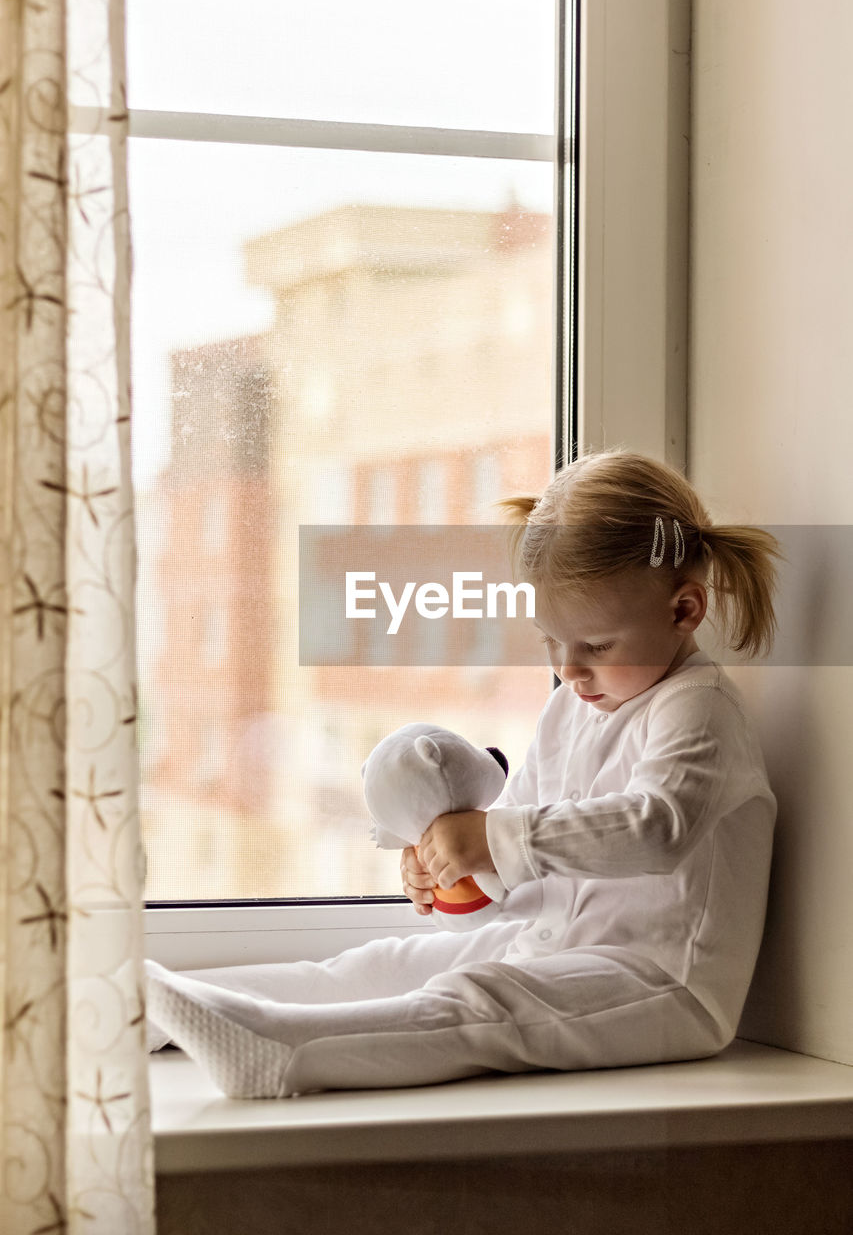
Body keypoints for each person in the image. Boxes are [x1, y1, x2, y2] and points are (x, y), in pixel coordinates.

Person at [145, 448, 784, 1100]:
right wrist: (457, 877)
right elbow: (522, 858)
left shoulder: (697, 706)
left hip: (661, 985)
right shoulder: (571, 707)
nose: (568, 669)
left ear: (683, 612)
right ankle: (161, 1009)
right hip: (554, 948)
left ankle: (280, 1049)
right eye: (548, 642)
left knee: (482, 1000)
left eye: (595, 646)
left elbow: (658, 829)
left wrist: (494, 839)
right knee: (390, 963)